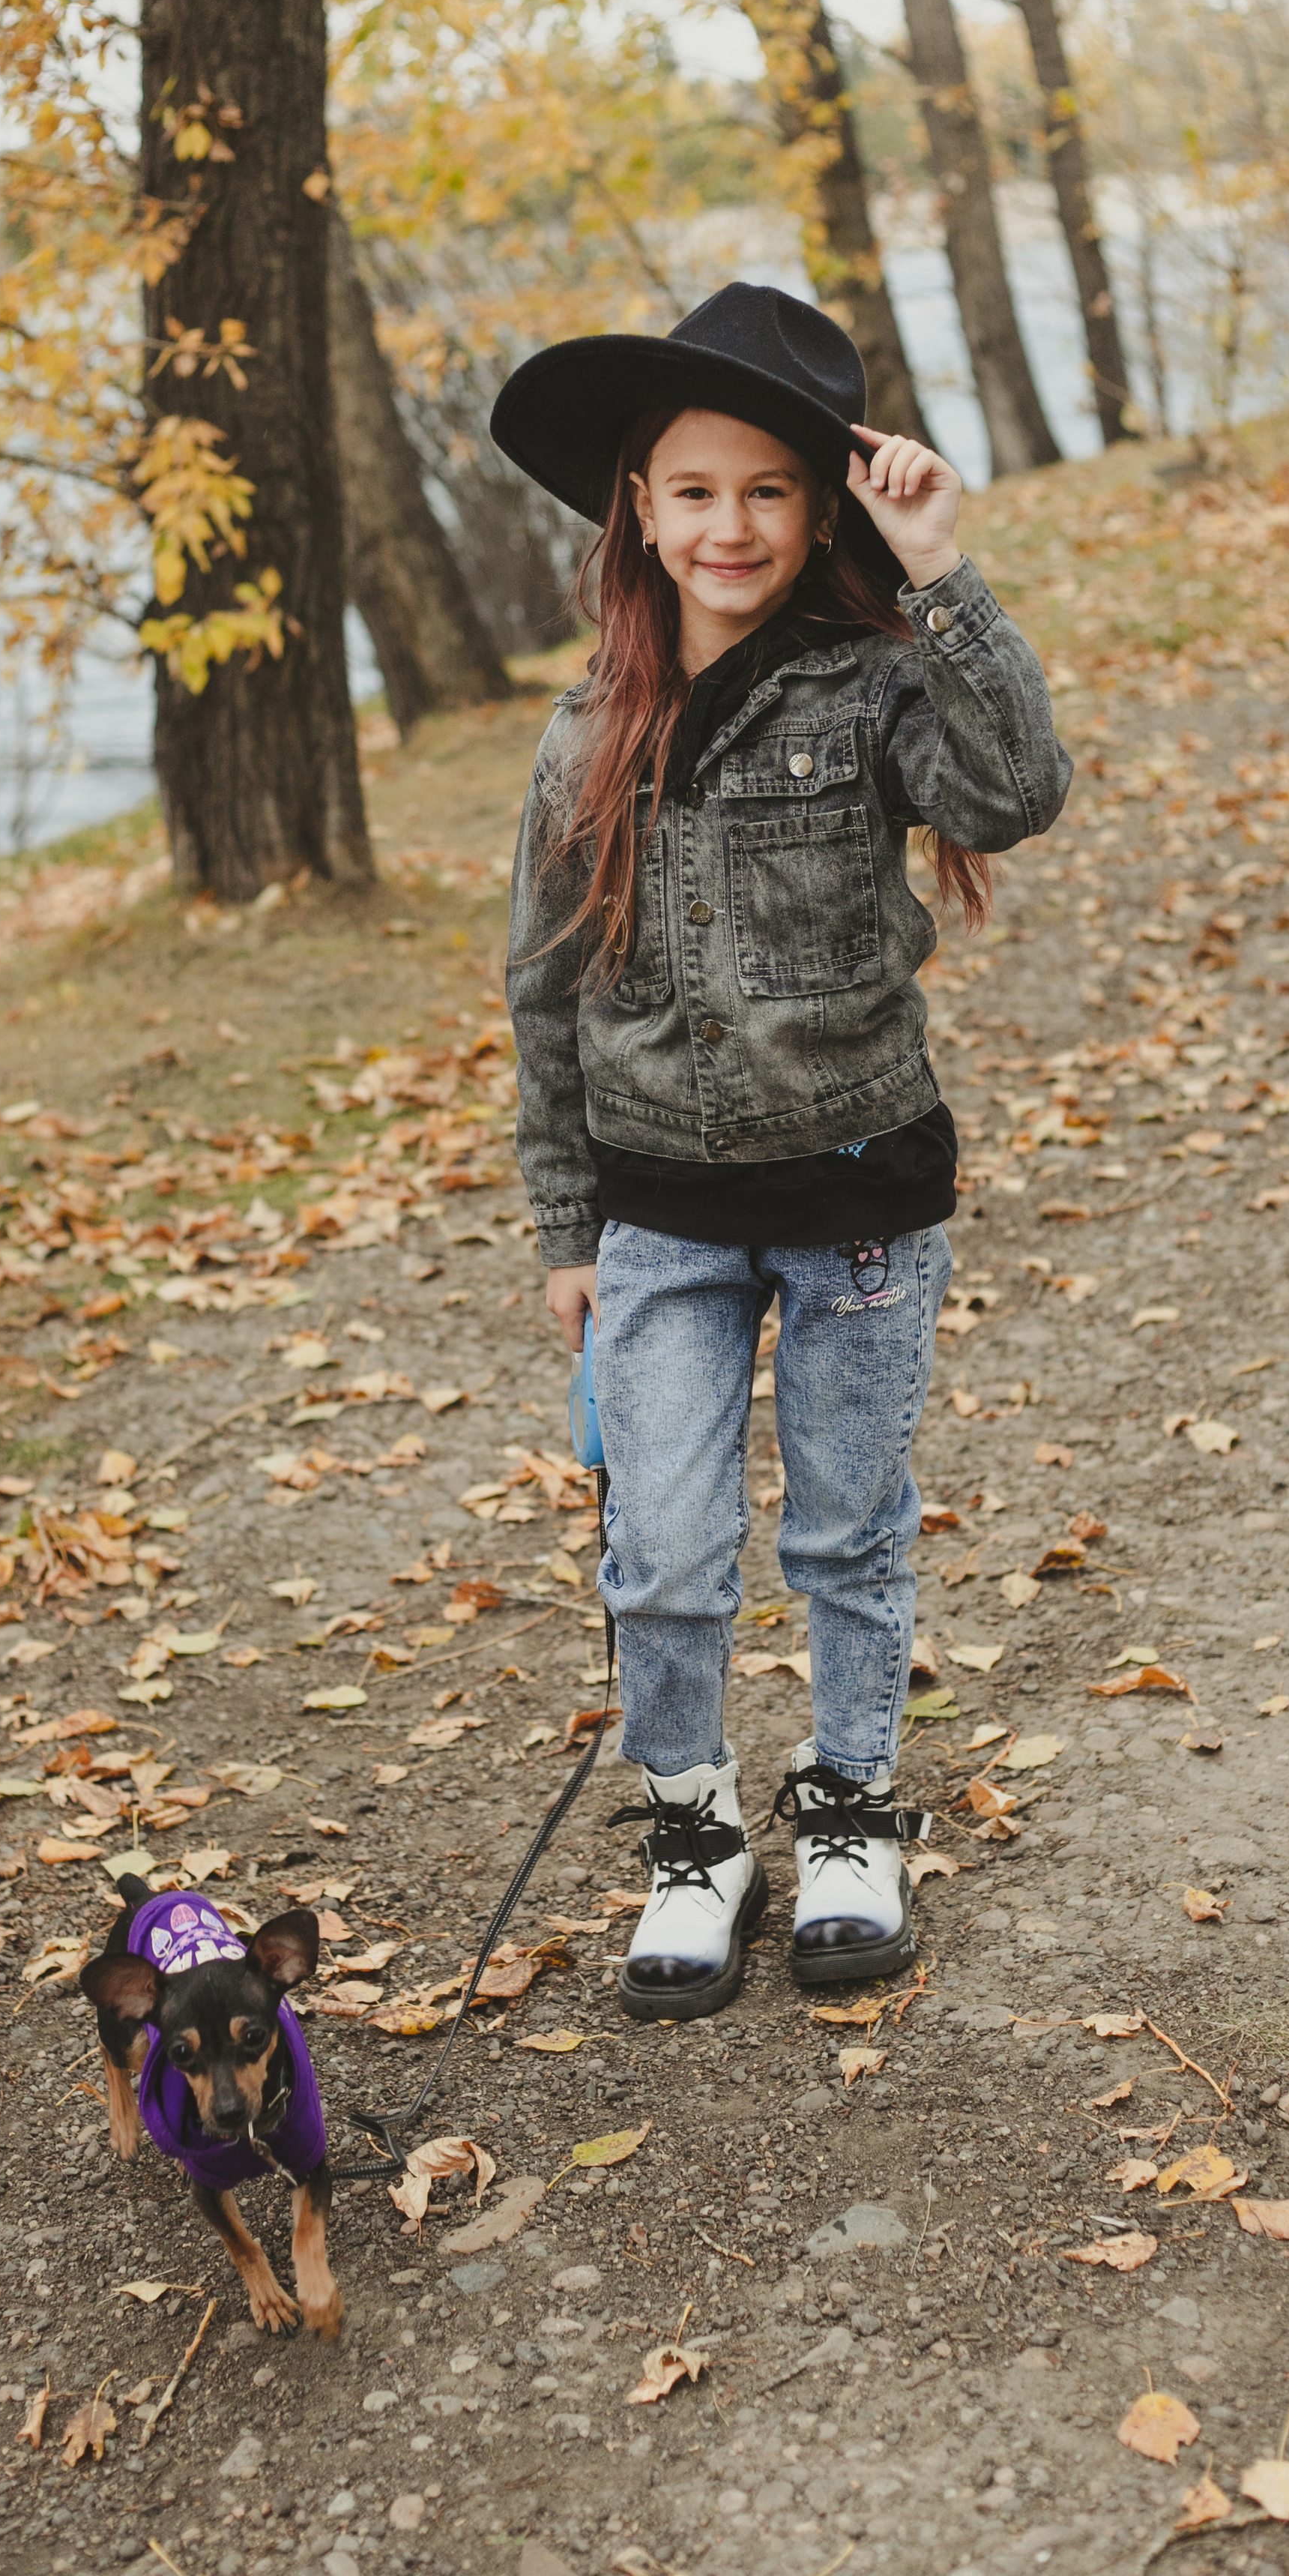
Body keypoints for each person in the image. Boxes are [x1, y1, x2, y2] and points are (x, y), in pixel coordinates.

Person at [492, 283, 1069, 2021]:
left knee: (841, 1532)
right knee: (658, 1550)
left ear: (820, 506)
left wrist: (941, 573)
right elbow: (540, 990)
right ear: (637, 512)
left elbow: (1013, 791)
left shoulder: (874, 686)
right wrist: (562, 1222)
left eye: (765, 490)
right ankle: (691, 1833)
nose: (726, 525)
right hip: (659, 1217)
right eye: (690, 490)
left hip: (856, 1208)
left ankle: (845, 1812)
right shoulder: (587, 730)